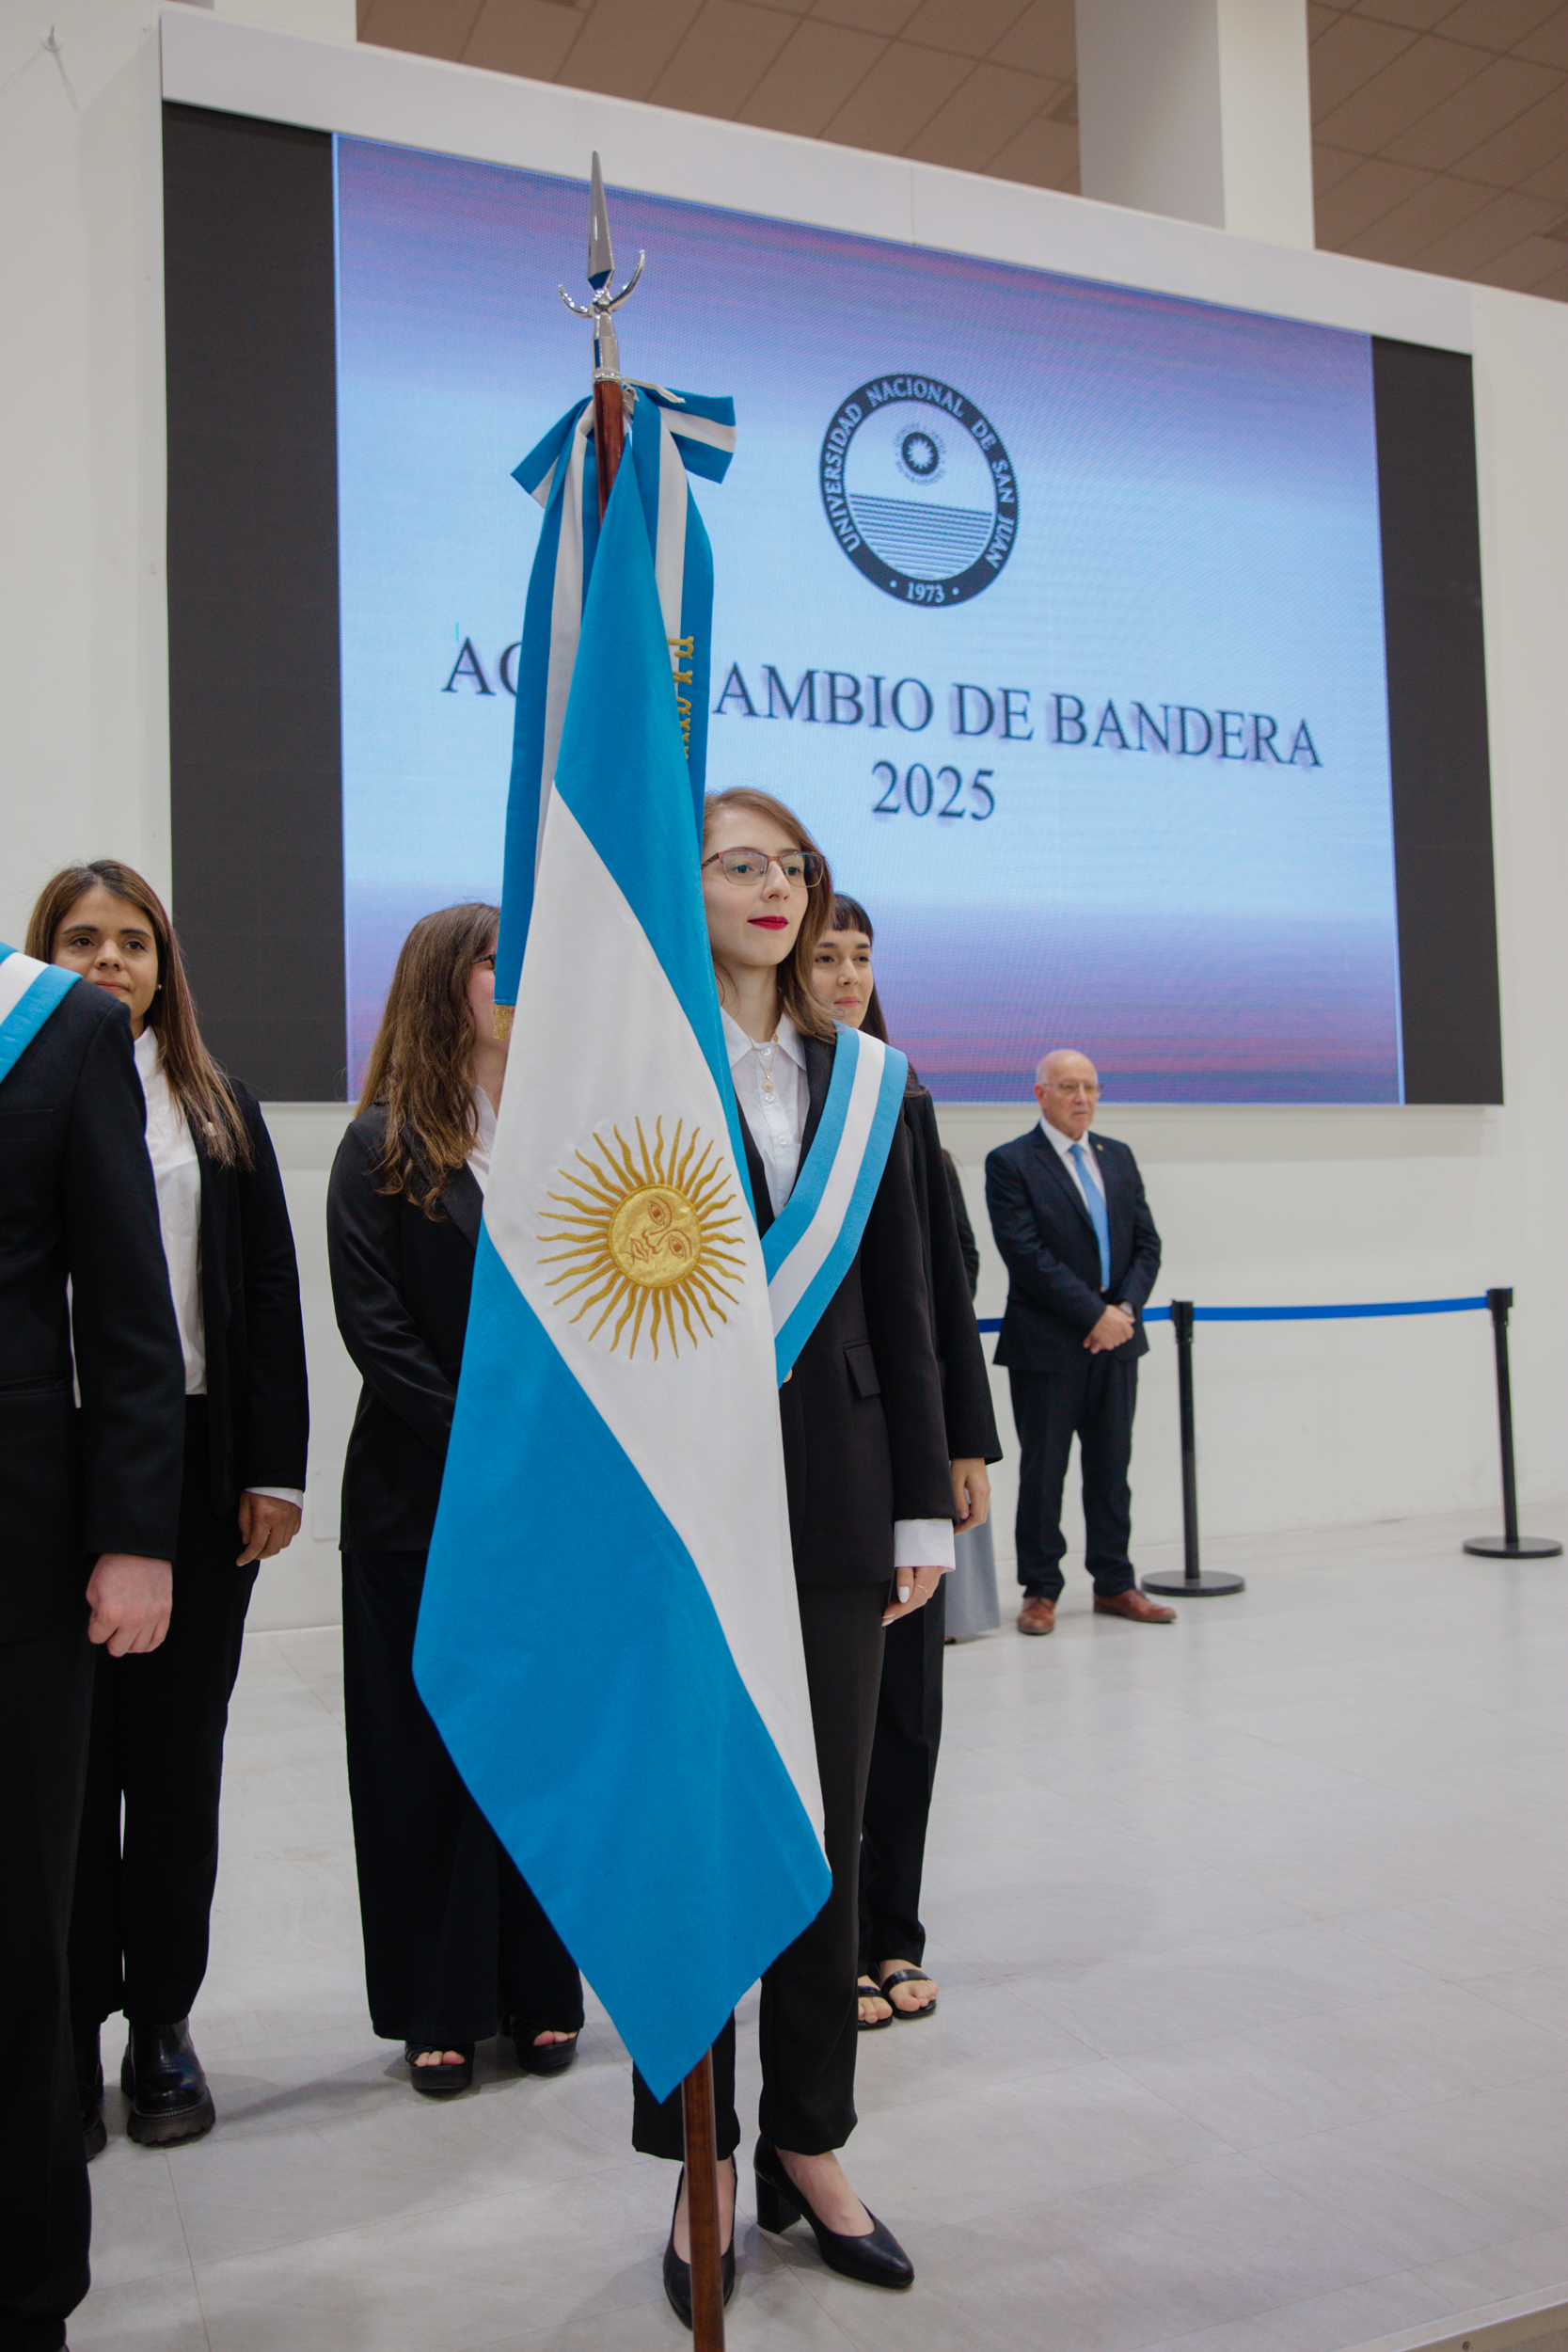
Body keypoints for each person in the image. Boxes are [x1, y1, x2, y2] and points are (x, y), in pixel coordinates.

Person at [632, 791, 956, 2323]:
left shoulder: (867, 1079)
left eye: (791, 870)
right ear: (680, 884)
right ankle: (695, 2163)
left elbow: (901, 1294)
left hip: (832, 1500)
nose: (773, 891)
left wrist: (914, 1506)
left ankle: (808, 2142)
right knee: (693, 1840)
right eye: (737, 864)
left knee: (817, 1845)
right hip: (679, 1507)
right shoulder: (630, 1059)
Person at [28, 860, 311, 2153]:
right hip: (48, 1458)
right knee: (61, 1775)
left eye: (132, 942)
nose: (110, 963)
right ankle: (64, 2029)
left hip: (195, 1468)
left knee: (174, 1765)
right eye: (82, 941)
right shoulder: (22, 1084)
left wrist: (272, 1471)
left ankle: (160, 2028)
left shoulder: (215, 1107)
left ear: (165, 965)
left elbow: (263, 1301)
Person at [326, 904, 582, 2100]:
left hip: (551, 1508)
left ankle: (539, 1988)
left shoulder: (565, 1140)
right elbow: (378, 1333)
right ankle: (438, 2003)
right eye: (495, 958)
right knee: (422, 1756)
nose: (515, 976)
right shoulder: (379, 1141)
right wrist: (493, 1447)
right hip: (419, 1504)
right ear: (443, 984)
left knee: (537, 1750)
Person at [0, 930, 183, 2352]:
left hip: (18, 1544)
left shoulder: (56, 1023)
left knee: (15, 1923)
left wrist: (135, 1536)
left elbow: (129, 1314)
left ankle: (24, 2293)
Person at [807, 898, 1000, 2033]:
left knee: (906, 1716)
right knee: (820, 1729)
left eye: (858, 957)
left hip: (903, 1446)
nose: (840, 974)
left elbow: (942, 1287)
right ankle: (821, 1946)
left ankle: (893, 1934)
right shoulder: (764, 1088)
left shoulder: (899, 1094)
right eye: (823, 954)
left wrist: (964, 1442)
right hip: (805, 1450)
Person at [985, 1049, 1172, 1633]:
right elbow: (1025, 1254)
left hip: (1116, 1344)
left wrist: (1121, 1312)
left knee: (1112, 1469)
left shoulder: (1117, 1157)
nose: (1082, 1098)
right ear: (1040, 1093)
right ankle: (1040, 1591)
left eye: (1091, 1087)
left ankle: (1115, 1582)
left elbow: (1147, 1245)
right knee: (1045, 1472)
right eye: (1068, 1087)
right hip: (1047, 1346)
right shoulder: (1011, 1162)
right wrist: (1093, 1315)